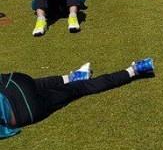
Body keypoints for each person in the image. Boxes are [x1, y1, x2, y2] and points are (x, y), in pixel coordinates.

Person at [0, 58, 154, 140]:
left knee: (79, 89)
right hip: (16, 84)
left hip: (26, 112)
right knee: (37, 84)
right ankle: (73, 77)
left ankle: (135, 70)